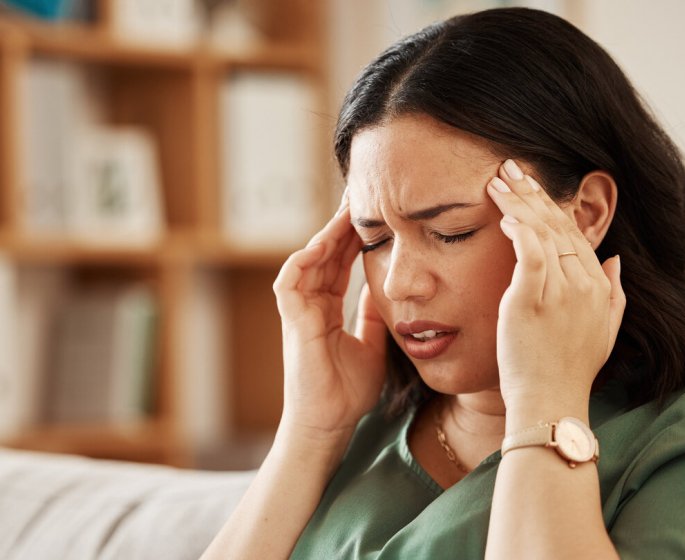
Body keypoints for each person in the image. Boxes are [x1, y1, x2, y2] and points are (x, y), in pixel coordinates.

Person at [202, 7, 685, 559]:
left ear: (584, 214)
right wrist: (311, 430)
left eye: (449, 232)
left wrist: (547, 405)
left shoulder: (663, 446)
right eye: (375, 239)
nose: (401, 284)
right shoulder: (362, 424)